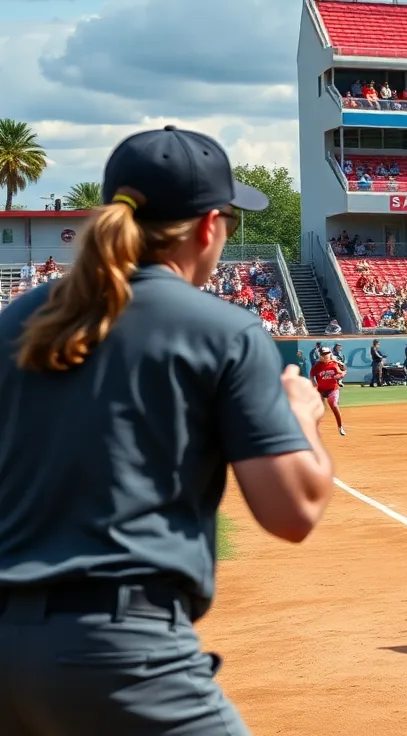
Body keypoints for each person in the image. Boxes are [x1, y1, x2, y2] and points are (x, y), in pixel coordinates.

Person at [0, 125, 334, 733]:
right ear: (209, 228)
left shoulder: (19, 318)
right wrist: (300, 416)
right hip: (119, 651)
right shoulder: (223, 331)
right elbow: (293, 512)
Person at [310, 347, 347, 436]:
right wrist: (313, 382)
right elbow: (311, 375)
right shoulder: (317, 366)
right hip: (320, 390)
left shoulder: (334, 364)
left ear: (330, 354)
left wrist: (340, 376)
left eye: (326, 354)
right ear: (320, 356)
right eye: (323, 354)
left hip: (332, 388)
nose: (325, 356)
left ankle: (340, 426)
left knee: (333, 404)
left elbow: (342, 372)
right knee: (318, 408)